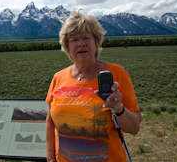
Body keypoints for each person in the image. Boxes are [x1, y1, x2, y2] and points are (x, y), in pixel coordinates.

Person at [45, 10, 142, 162]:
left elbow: (134, 128)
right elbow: (50, 121)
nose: (81, 43)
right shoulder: (58, 78)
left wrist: (119, 108)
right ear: (66, 46)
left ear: (96, 42)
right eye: (74, 39)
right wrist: (50, 158)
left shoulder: (117, 73)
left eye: (86, 38)